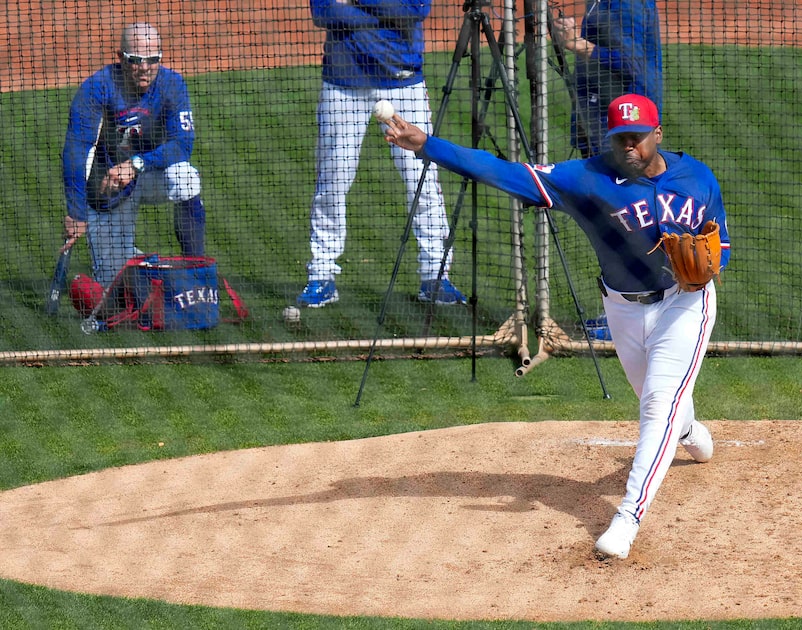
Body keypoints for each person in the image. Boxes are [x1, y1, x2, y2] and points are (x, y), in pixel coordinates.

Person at [383, 94, 729, 559]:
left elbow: (719, 241)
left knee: (656, 403)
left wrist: (710, 266)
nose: (629, 146)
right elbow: (500, 171)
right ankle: (687, 431)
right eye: (620, 138)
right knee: (657, 398)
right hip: (623, 309)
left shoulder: (698, 177)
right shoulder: (585, 179)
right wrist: (427, 145)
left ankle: (627, 517)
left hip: (685, 304)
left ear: (657, 134)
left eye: (638, 137)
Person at [301, 0, 465, 308]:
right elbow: (324, 12)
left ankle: (435, 275)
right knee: (332, 183)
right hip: (343, 84)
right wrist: (384, 12)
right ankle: (321, 274)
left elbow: (413, 11)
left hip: (403, 83)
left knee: (423, 181)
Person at [62, 22, 207, 288]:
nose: (145, 67)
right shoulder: (97, 87)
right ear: (120, 57)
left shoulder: (172, 84)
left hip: (150, 175)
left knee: (185, 177)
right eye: (136, 60)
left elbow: (182, 144)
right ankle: (148, 267)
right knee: (111, 282)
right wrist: (76, 212)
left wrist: (136, 164)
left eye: (153, 59)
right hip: (109, 187)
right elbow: (76, 151)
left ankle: (198, 271)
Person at [551, 0, 662, 158]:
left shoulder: (626, 5)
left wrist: (578, 44)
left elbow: (631, 63)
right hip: (598, 114)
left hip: (623, 122)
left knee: (620, 180)